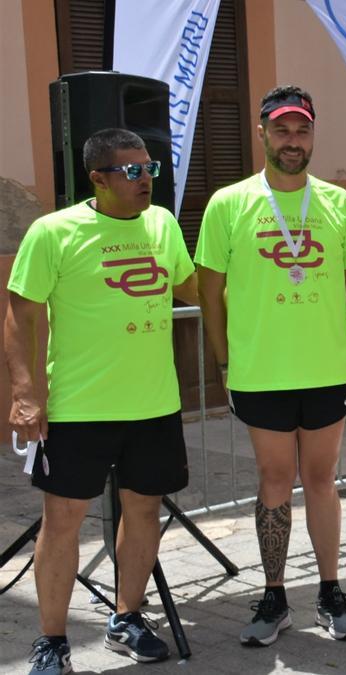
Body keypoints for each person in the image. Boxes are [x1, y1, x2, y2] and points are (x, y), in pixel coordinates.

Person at [6, 128, 195, 674]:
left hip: (154, 405)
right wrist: (24, 392)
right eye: (132, 171)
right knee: (62, 521)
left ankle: (127, 617)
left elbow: (192, 287)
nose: (145, 181)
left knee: (142, 512)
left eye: (150, 169)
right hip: (78, 409)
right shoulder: (53, 233)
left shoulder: (162, 224)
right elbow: (19, 314)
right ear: (98, 177)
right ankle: (51, 642)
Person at [196, 86, 346, 645]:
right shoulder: (228, 203)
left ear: (313, 134)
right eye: (282, 130)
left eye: (302, 131)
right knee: (274, 479)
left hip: (326, 370)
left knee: (321, 479)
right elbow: (210, 292)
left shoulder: (338, 202)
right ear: (263, 133)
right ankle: (273, 596)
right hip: (261, 372)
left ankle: (330, 590)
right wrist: (225, 363)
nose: (293, 142)